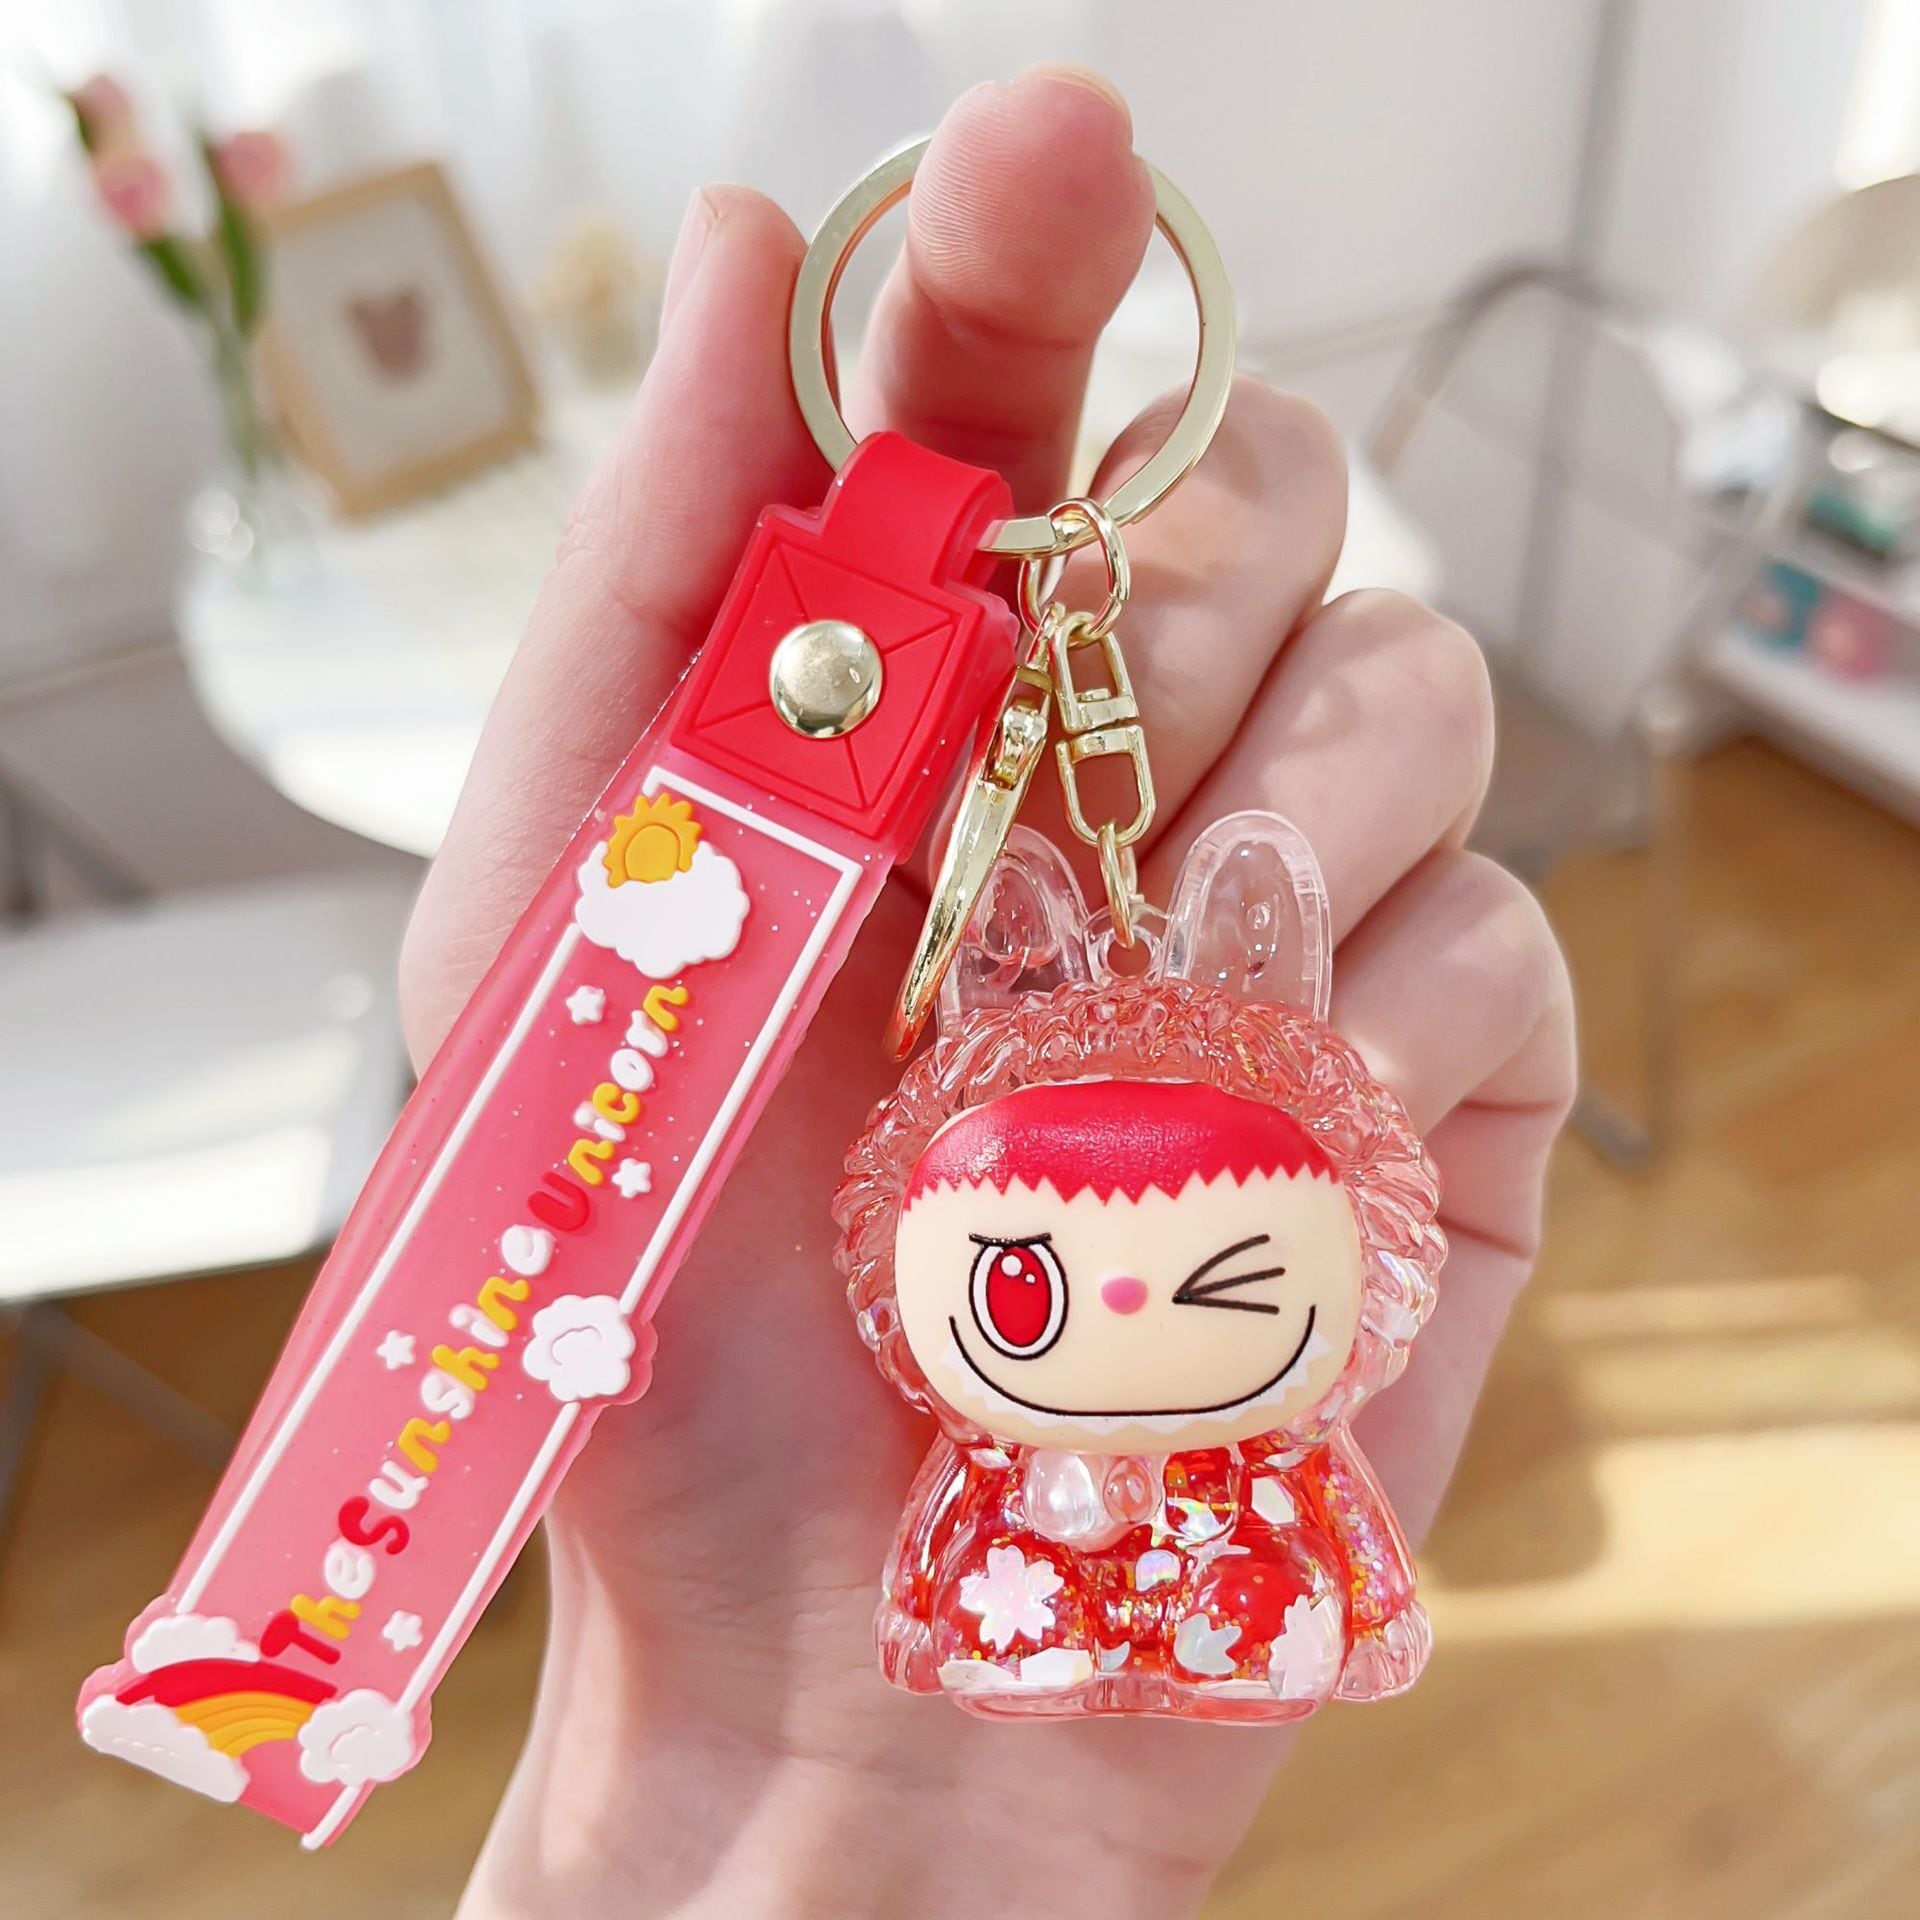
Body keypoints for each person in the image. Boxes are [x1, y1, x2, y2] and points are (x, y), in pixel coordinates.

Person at [401, 62, 1575, 1920]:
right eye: (1031, 1281)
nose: (1126, 1309)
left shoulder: (1281, 1443)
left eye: (1216, 1275)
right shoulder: (964, 1469)